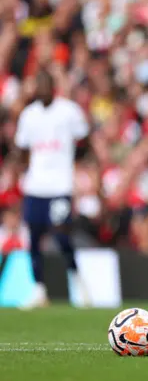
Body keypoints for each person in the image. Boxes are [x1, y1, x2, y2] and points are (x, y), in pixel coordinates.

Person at [13, 69, 91, 309]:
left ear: (54, 87)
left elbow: (84, 138)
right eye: (40, 85)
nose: (44, 89)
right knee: (34, 238)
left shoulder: (68, 111)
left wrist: (73, 166)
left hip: (60, 185)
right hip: (35, 185)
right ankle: (39, 289)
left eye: (48, 84)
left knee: (61, 235)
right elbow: (22, 147)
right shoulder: (29, 115)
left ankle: (78, 283)